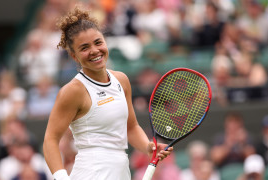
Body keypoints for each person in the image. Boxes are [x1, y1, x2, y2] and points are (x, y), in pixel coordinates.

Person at [43, 6, 173, 180]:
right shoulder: (72, 91)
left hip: (121, 171)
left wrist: (147, 147)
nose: (95, 51)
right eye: (84, 47)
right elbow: (50, 139)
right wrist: (62, 178)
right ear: (74, 56)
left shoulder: (122, 80)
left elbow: (131, 127)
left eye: (98, 42)